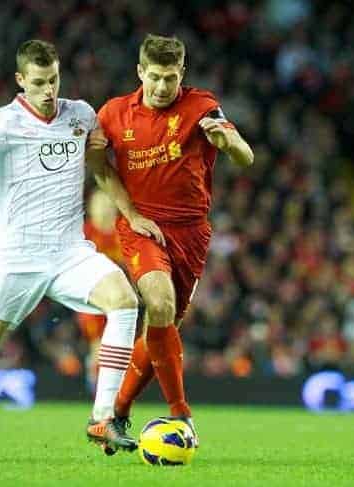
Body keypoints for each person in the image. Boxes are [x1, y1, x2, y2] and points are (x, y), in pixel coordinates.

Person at [0, 39, 162, 460]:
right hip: (16, 258)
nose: (49, 90)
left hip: (69, 253)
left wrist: (132, 216)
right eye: (40, 82)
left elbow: (101, 171)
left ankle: (103, 417)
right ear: (20, 81)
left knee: (124, 301)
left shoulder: (79, 115)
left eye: (55, 80)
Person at [87, 33, 254, 447]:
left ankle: (117, 414)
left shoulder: (201, 106)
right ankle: (182, 415)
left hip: (192, 232)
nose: (163, 87)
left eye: (171, 78)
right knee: (159, 303)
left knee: (161, 326)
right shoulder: (114, 114)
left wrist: (228, 141)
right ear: (140, 72)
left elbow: (246, 157)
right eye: (156, 77)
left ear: (183, 74)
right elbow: (99, 166)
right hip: (142, 227)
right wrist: (130, 214)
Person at [76, 189, 126, 392]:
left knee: (116, 339)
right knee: (100, 341)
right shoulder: (85, 232)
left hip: (118, 296)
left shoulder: (121, 232)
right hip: (91, 294)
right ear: (91, 208)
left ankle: (108, 380)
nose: (104, 209)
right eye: (100, 205)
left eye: (108, 204)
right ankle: (97, 381)